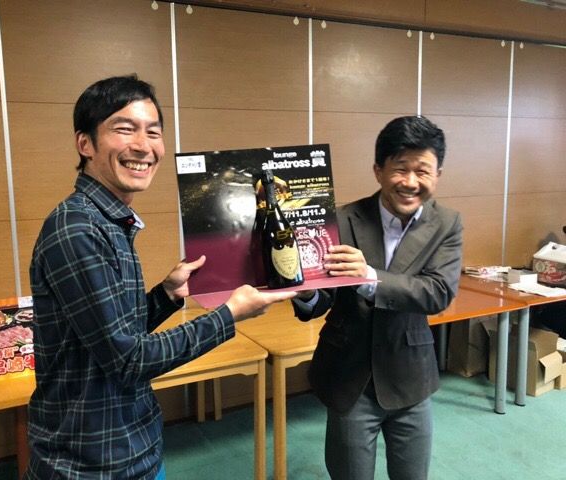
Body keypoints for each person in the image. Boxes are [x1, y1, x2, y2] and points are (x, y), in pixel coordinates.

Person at [25, 75, 296, 479]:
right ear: (85, 144)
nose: (143, 146)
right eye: (124, 129)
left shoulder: (107, 220)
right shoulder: (77, 229)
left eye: (153, 132)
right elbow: (129, 360)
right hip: (89, 464)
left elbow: (112, 334)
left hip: (130, 446)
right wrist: (228, 315)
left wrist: (166, 295)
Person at [293, 116, 462, 480]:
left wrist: (369, 276)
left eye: (423, 171)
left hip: (411, 375)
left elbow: (437, 292)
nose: (411, 182)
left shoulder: (447, 223)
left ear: (437, 175)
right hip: (350, 375)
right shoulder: (342, 219)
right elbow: (322, 298)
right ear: (378, 170)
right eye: (400, 168)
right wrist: (306, 291)